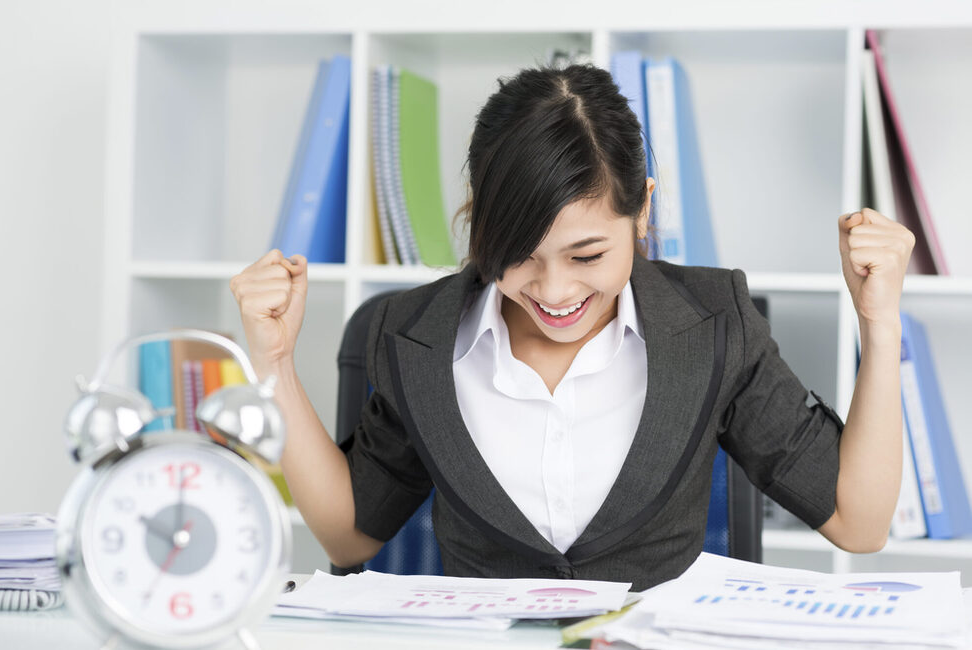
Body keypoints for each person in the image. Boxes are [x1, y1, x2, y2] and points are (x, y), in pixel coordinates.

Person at [230, 64, 915, 590]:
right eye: (517, 255)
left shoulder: (712, 324)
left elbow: (858, 524)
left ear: (641, 211)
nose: (554, 292)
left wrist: (877, 324)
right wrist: (276, 365)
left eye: (587, 255)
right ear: (477, 221)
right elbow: (350, 537)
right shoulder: (418, 335)